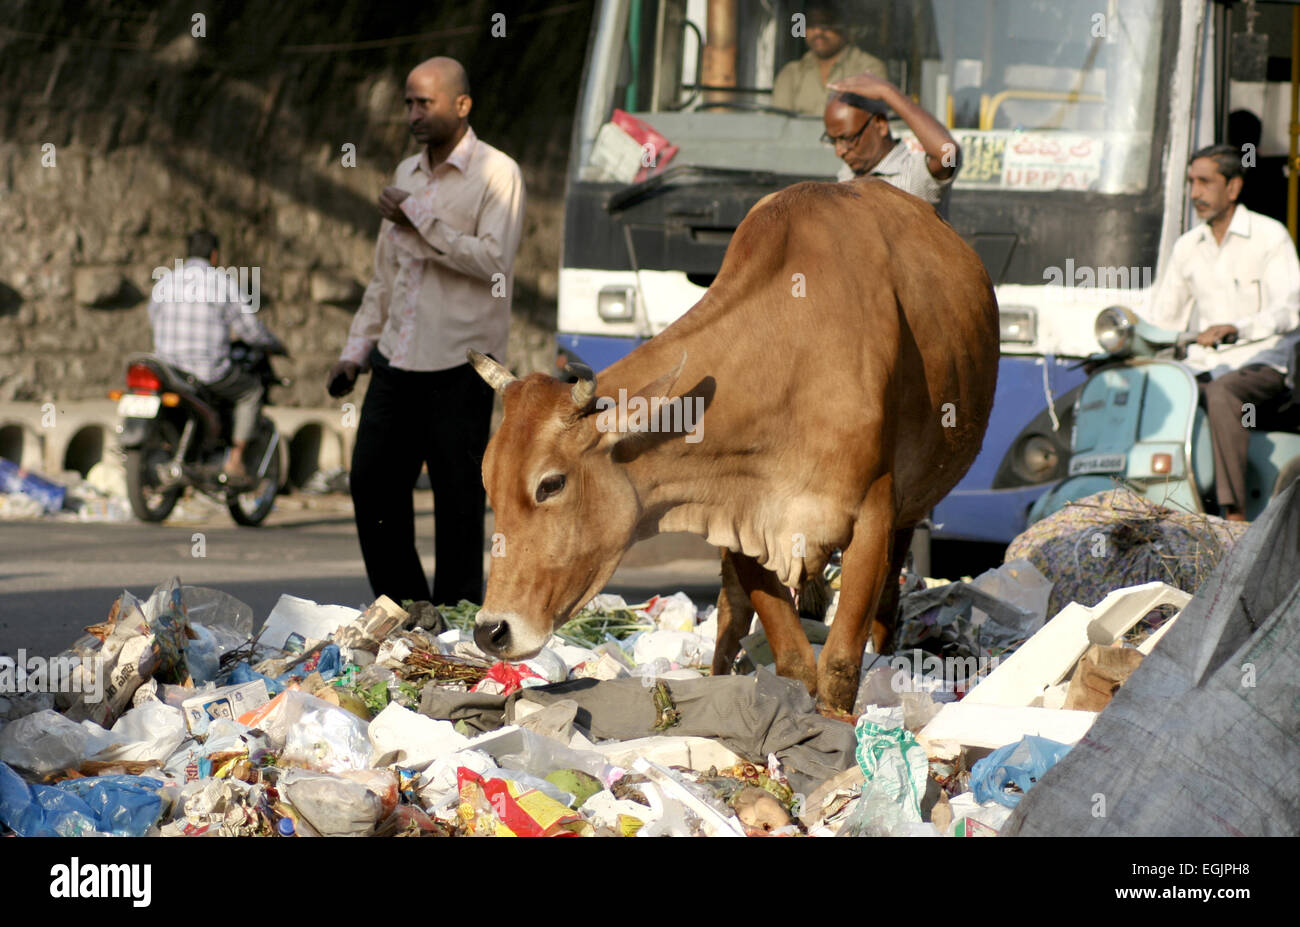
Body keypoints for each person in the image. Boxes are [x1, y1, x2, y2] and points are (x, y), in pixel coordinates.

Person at [327, 56, 525, 606]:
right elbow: (384, 278)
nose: (414, 113)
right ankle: (408, 610)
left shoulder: (497, 173)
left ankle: (458, 619)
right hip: (396, 361)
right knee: (371, 486)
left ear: (462, 106)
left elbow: (493, 263)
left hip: (459, 368)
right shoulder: (405, 176)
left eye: (426, 103)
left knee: (458, 503)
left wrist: (420, 219)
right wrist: (355, 352)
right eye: (409, 102)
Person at [1143, 143, 1300, 521]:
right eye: (1191, 182)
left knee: (1223, 392)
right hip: (1206, 364)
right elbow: (1163, 320)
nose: (1195, 193)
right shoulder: (1187, 246)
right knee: (1152, 388)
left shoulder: (1269, 235)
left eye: (1205, 182)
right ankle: (1153, 506)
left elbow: (1290, 309)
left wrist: (1239, 328)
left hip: (1264, 366)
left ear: (1232, 188)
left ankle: (1234, 514)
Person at [147, 229, 283, 483]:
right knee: (250, 391)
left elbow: (153, 318)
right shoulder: (222, 282)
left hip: (169, 369)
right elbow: (250, 329)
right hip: (206, 370)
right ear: (214, 254)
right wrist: (275, 344)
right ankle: (235, 460)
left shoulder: (165, 281)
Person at [822, 73, 960, 214]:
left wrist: (887, 92)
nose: (839, 152)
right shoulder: (847, 174)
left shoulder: (913, 177)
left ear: (881, 124)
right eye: (833, 141)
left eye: (848, 139)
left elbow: (949, 153)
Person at [772, 2, 886, 115]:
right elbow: (778, 123)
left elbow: (872, 122)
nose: (818, 32)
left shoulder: (869, 70)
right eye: (811, 24)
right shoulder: (791, 73)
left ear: (843, 27)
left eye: (825, 24)